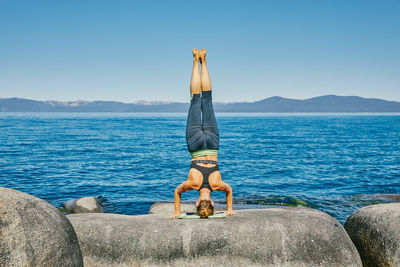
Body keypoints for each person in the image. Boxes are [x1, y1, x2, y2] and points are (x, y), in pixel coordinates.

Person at [171, 48, 236, 219]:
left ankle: (204, 60)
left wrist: (229, 209)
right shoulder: (192, 184)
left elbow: (229, 191)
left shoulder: (218, 184)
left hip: (213, 146)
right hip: (196, 146)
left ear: (213, 203)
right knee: (195, 100)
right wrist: (177, 213)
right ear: (197, 203)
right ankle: (195, 60)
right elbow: (177, 192)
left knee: (207, 99)